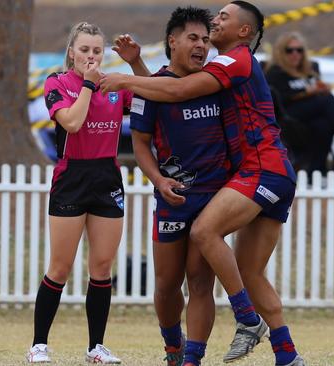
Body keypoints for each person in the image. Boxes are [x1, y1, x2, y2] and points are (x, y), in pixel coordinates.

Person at [100, 2, 306, 365]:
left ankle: (243, 321)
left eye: (221, 19)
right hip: (234, 180)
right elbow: (166, 89)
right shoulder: (214, 71)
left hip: (257, 173)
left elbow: (176, 91)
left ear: (244, 31)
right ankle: (287, 354)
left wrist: (125, 78)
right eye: (193, 36)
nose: (213, 25)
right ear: (172, 41)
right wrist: (136, 66)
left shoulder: (232, 61)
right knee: (238, 274)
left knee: (204, 237)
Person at [113, 7, 221, 366]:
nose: (201, 46)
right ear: (172, 41)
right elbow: (141, 143)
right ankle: (172, 345)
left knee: (201, 281)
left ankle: (192, 358)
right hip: (173, 199)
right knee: (166, 283)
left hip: (214, 198)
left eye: (206, 40)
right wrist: (158, 180)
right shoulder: (150, 86)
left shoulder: (215, 81)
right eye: (193, 38)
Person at [27, 22, 132, 364]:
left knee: (102, 266)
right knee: (60, 266)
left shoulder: (115, 85)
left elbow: (153, 97)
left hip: (107, 176)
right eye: (84, 50)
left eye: (97, 51)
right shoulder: (57, 82)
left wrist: (134, 66)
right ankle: (39, 345)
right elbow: (71, 122)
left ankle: (96, 347)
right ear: (71, 51)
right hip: (72, 176)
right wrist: (88, 85)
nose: (91, 56)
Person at [265, 31, 334, 173]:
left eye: (299, 50)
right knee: (326, 101)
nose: (295, 54)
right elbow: (278, 98)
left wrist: (323, 89)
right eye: (289, 50)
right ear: (281, 52)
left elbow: (318, 94)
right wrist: (306, 93)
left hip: (312, 114)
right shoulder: (274, 72)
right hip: (289, 115)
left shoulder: (311, 69)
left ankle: (317, 171)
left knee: (324, 125)